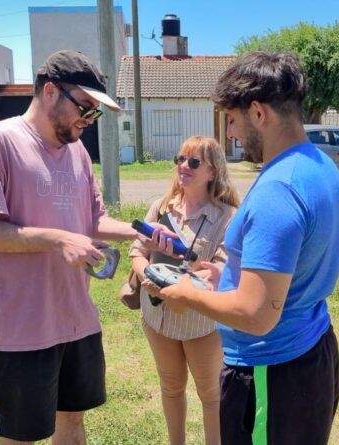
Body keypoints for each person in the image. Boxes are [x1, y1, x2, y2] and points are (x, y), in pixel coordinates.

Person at [0, 50, 170, 445]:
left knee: (72, 423)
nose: (88, 119)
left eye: (95, 112)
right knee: (20, 436)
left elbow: (93, 220)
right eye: (84, 106)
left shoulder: (77, 152)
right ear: (51, 91)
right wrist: (58, 239)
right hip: (16, 324)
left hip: (74, 316)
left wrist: (141, 232)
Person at [158, 51, 339, 444]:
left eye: (232, 119)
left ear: (258, 113)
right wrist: (227, 276)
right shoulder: (318, 164)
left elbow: (256, 314)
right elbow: (294, 265)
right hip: (311, 353)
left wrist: (186, 295)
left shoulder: (278, 190)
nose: (231, 133)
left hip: (270, 373)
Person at [129, 135, 240, 445]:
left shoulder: (227, 217)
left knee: (211, 395)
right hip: (157, 318)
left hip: (200, 324)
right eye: (180, 159)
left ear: (213, 171)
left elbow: (220, 274)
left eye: (193, 162)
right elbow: (137, 253)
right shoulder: (161, 207)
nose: (183, 166)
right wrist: (151, 277)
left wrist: (182, 282)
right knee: (171, 388)